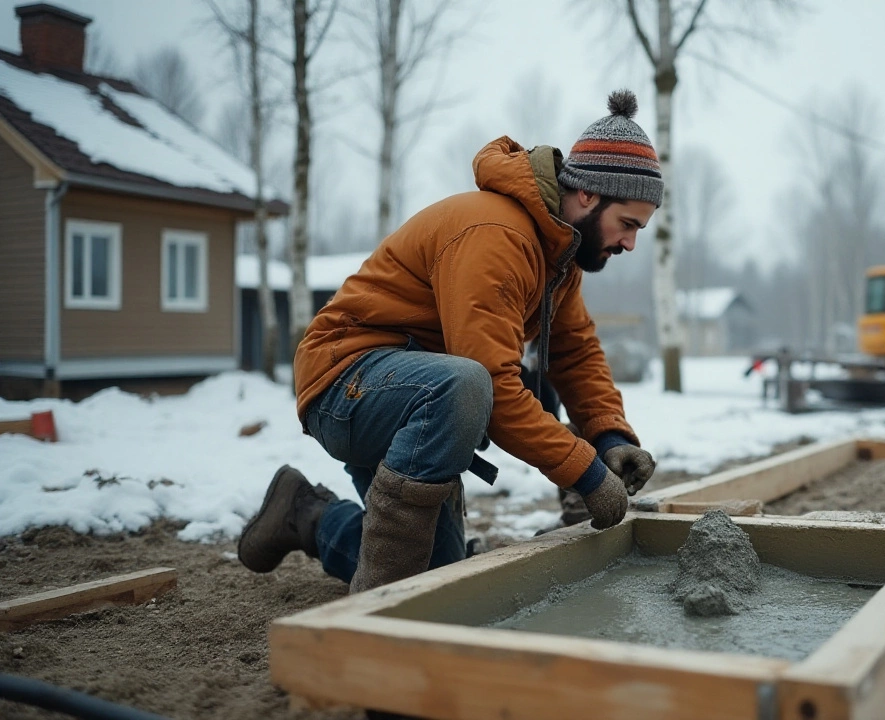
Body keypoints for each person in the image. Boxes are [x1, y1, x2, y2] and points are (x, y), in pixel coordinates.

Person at [237, 90, 660, 593]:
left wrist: (609, 438)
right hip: (347, 382)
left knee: (441, 576)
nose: (630, 243)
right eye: (628, 224)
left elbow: (575, 351)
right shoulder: (497, 235)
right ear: (588, 195)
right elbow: (493, 386)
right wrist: (587, 474)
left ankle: (306, 514)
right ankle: (383, 605)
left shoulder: (556, 256)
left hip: (414, 390)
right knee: (471, 382)